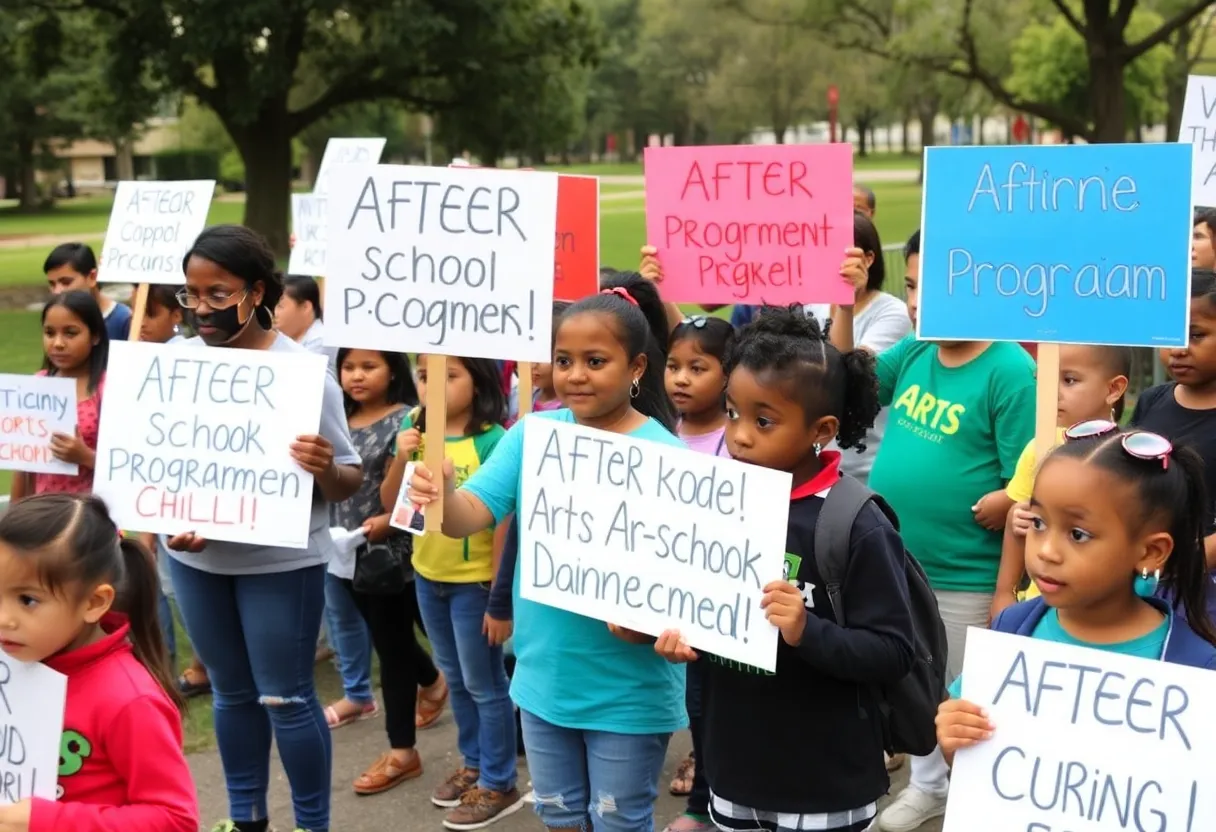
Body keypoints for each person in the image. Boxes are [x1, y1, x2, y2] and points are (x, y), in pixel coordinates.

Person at [407, 275, 685, 832]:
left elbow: (684, 592)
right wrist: (441, 496)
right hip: (542, 683)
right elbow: (468, 516)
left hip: (628, 692)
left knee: (619, 823)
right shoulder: (531, 435)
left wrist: (652, 625)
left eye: (595, 361)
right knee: (559, 818)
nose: (575, 374)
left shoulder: (669, 458)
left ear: (636, 368)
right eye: (563, 360)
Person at [655, 305, 912, 832]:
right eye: (732, 413)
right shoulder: (717, 504)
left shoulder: (855, 523)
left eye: (763, 420)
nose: (740, 435)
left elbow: (893, 651)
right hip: (735, 774)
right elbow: (714, 620)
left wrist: (805, 630)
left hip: (825, 784)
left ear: (822, 429)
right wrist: (683, 638)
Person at [163, 225, 363, 832]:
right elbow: (160, 465)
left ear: (255, 293)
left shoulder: (303, 374)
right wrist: (170, 520)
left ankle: (311, 824)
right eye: (191, 294)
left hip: (279, 565)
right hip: (197, 564)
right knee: (230, 693)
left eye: (217, 293)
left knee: (286, 697)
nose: (201, 308)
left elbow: (348, 480)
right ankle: (246, 818)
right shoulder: (174, 366)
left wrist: (324, 467)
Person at [873, 229, 1036, 832]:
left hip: (966, 574)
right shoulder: (916, 349)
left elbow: (1030, 477)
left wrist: (1006, 500)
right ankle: (929, 786)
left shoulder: (1010, 370)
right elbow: (855, 384)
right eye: (911, 286)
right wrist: (841, 303)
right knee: (914, 679)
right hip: (901, 561)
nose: (917, 303)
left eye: (932, 288)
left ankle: (970, 797)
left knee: (961, 693)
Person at [937, 426, 1216, 766]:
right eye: (1038, 523)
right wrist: (954, 739)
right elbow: (973, 767)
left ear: (1150, 552)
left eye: (1078, 534)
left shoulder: (1196, 668)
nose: (1046, 551)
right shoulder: (1013, 626)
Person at [0, 494, 196, 831]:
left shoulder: (130, 701)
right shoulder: (16, 660)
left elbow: (175, 819)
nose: (4, 618)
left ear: (94, 602)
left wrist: (42, 821)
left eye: (27, 600)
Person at [380, 355, 519, 829]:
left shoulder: (494, 440)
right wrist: (403, 457)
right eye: (424, 376)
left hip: (474, 585)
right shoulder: (413, 429)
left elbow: (505, 524)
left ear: (477, 382)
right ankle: (474, 764)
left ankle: (499, 781)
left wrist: (499, 598)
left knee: (485, 684)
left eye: (448, 376)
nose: (433, 386)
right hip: (428, 576)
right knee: (456, 680)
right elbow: (391, 503)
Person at [328, 348, 450, 796]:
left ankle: (402, 751)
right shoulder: (337, 418)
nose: (356, 376)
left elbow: (417, 487)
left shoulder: (407, 421)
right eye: (348, 367)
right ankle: (433, 682)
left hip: (390, 552)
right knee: (388, 635)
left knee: (392, 647)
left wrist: (389, 522)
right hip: (342, 548)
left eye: (369, 366)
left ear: (392, 370)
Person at [662, 313, 735, 832]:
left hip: (719, 599)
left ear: (730, 374)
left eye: (697, 367)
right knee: (695, 704)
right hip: (673, 597)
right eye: (673, 366)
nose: (681, 379)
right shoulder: (660, 434)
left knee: (715, 708)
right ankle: (704, 803)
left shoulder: (738, 439)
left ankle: (706, 806)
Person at [1000, 346, 1131, 604]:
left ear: (1114, 389)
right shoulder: (1037, 448)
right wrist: (1005, 592)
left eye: (1069, 380)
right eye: (1043, 379)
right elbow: (1018, 520)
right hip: (1039, 603)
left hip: (1100, 606)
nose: (1051, 391)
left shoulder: (1128, 457)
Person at [1131, 268, 1216, 619]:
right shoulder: (1152, 401)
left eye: (1196, 335)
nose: (1178, 350)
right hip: (1144, 577)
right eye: (1170, 335)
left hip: (1203, 588)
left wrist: (1184, 560)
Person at [809, 215, 913, 483]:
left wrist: (846, 307)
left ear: (868, 259)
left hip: (863, 467)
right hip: (816, 461)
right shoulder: (813, 306)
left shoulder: (893, 313)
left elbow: (845, 374)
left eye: (844, 255)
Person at [10, 291, 109, 501]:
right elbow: (23, 468)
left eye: (70, 333)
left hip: (90, 514)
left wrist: (86, 457)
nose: (58, 343)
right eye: (49, 333)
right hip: (42, 512)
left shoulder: (109, 389)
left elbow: (128, 467)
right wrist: (14, 515)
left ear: (95, 336)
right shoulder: (35, 385)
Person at [43, 243, 131, 341]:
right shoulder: (56, 320)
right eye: (52, 284)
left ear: (92, 277)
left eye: (66, 282)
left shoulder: (124, 320)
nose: (57, 291)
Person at [277, 275, 337, 374]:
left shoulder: (320, 341)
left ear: (306, 307)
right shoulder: (283, 338)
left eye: (279, 306)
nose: (273, 312)